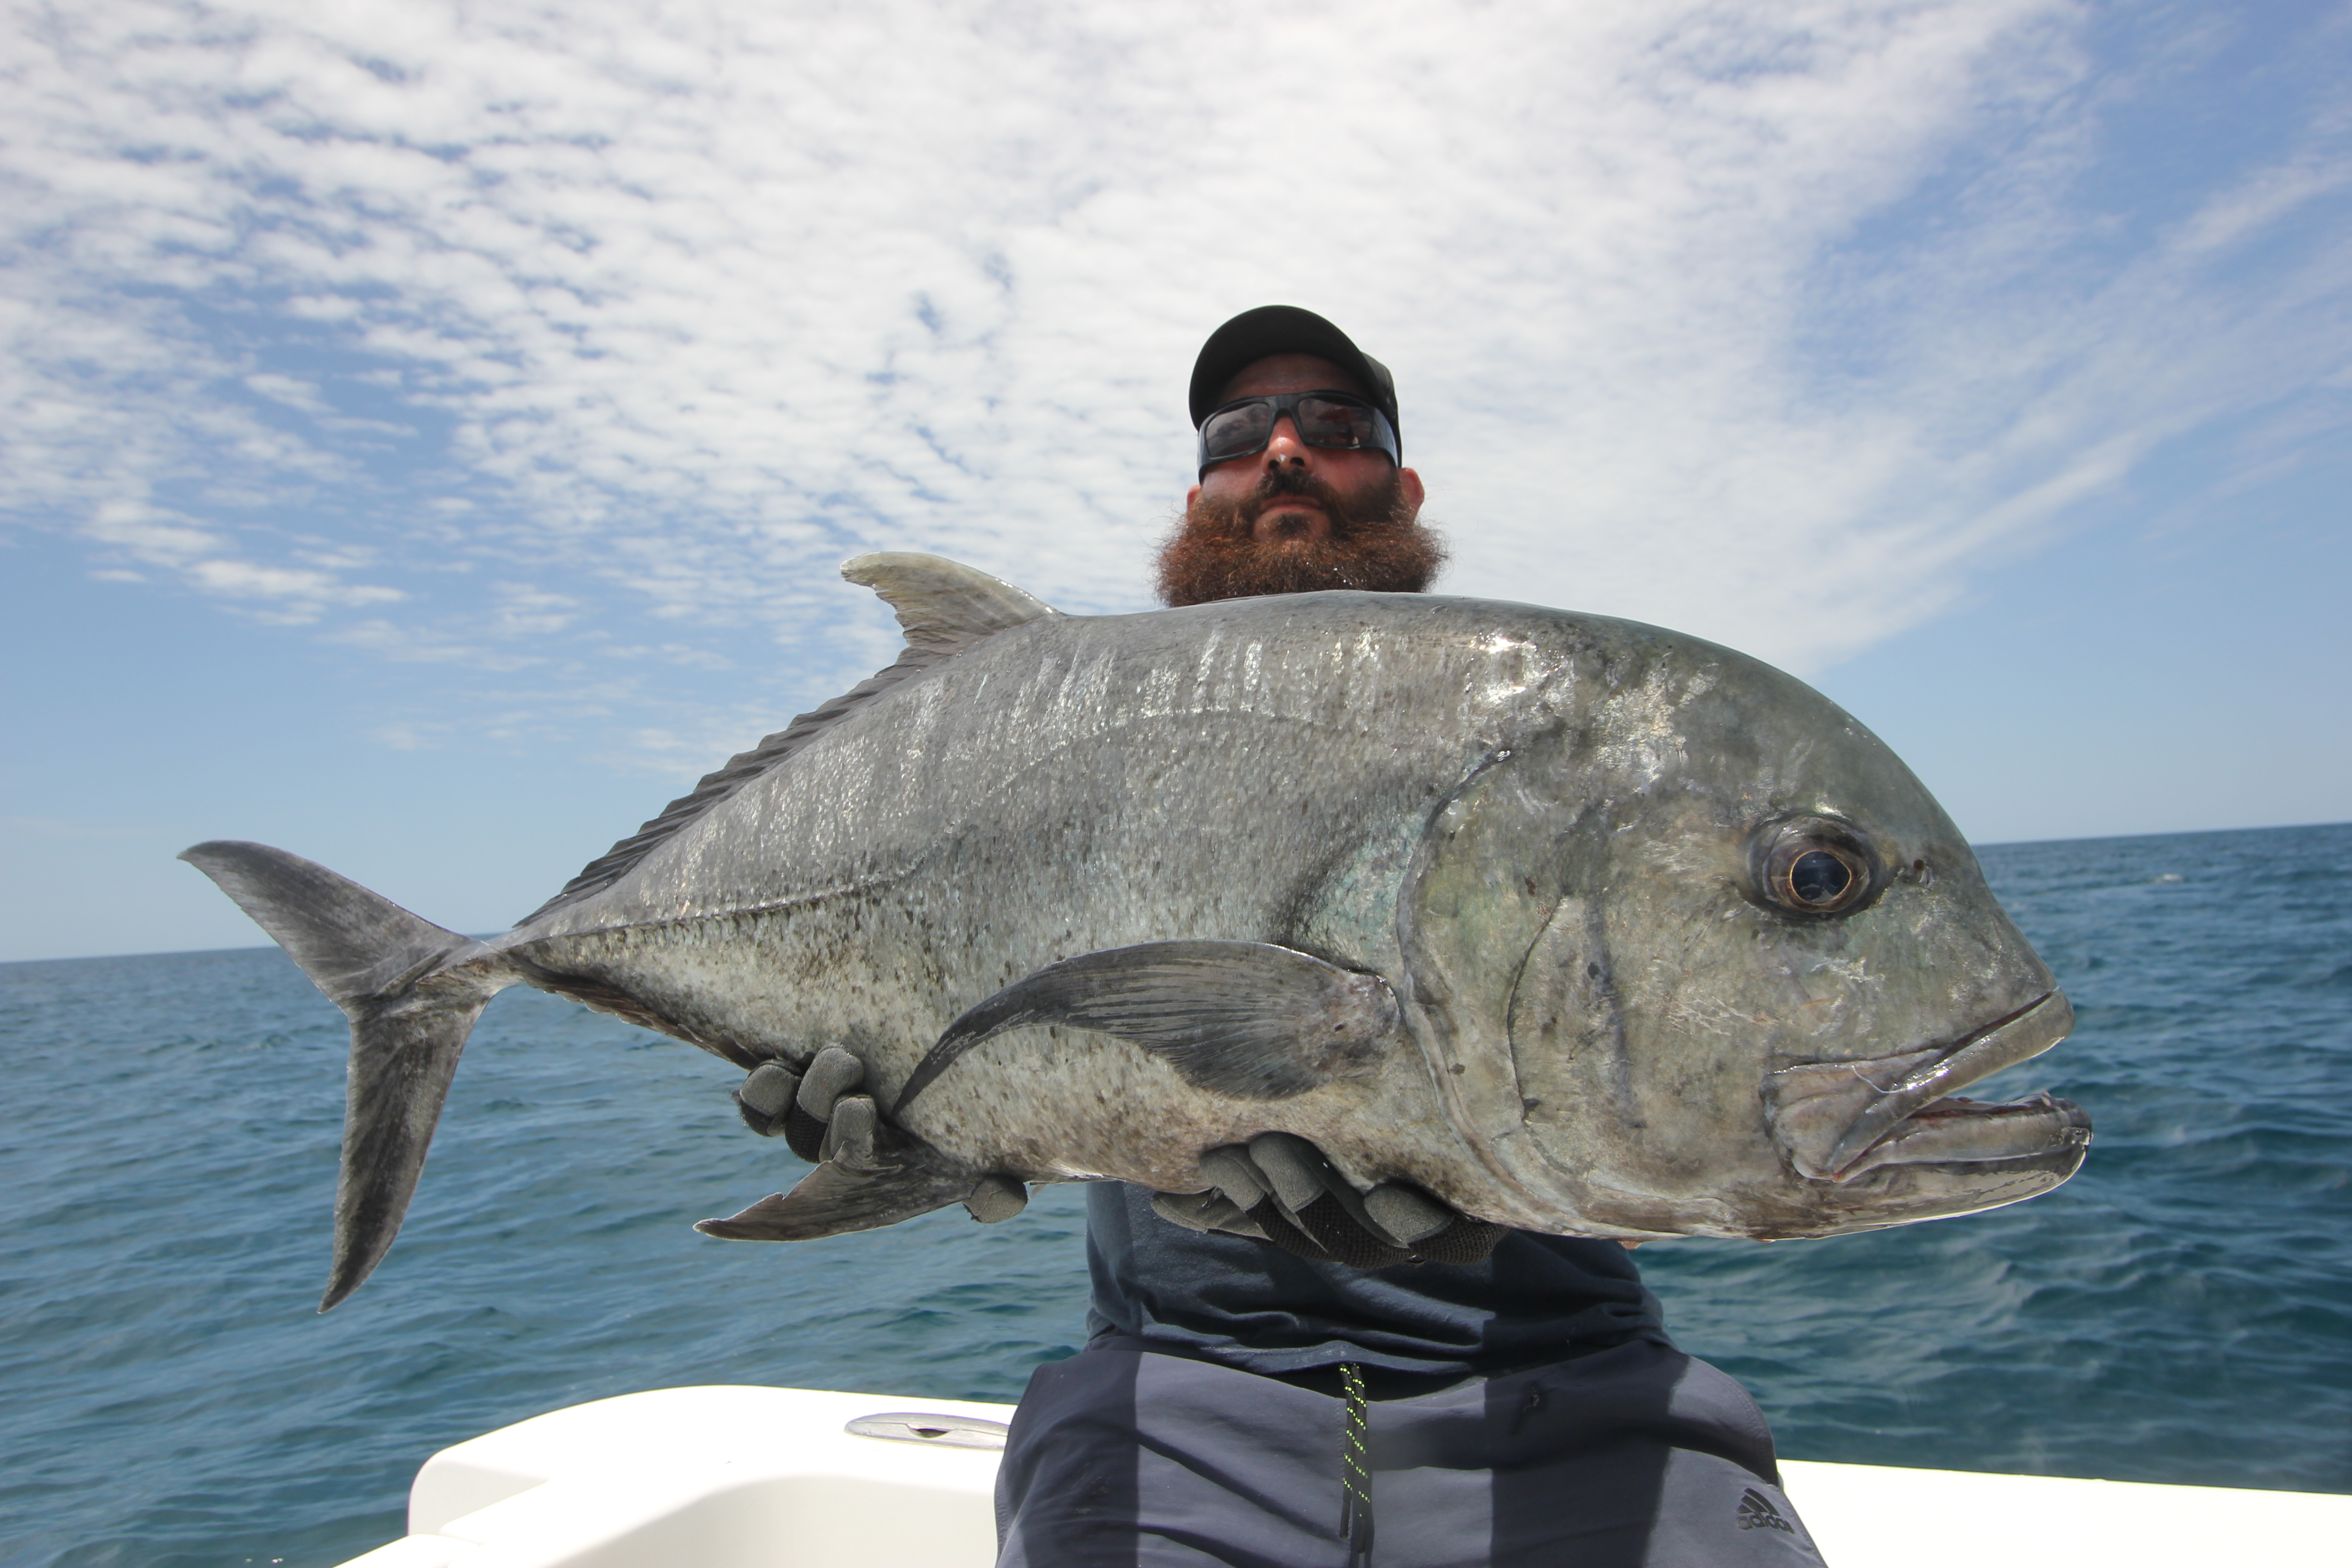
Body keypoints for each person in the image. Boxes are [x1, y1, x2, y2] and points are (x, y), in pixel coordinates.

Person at [986, 307, 1831, 1568]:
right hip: (1177, 1396)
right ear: (1199, 489)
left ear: (1401, 480)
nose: (1285, 452)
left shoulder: (1547, 732)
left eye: (1334, 427)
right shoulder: (1072, 758)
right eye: (1240, 433)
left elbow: (1674, 1133)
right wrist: (914, 1121)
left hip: (1564, 1381)